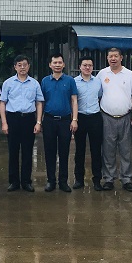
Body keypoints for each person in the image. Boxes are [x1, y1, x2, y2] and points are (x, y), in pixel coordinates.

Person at [0, 54, 44, 192]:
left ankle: (26, 181)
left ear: (29, 66)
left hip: (29, 119)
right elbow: (2, 103)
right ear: (15, 67)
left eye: (25, 65)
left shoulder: (34, 83)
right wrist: (4, 122)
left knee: (27, 151)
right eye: (19, 65)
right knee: (13, 151)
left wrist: (38, 122)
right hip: (13, 118)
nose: (22, 67)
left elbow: (39, 103)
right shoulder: (8, 83)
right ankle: (14, 181)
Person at [97, 47, 132, 192]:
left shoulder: (129, 74)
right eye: (110, 56)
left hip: (126, 117)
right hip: (106, 117)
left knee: (126, 150)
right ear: (107, 58)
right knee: (108, 150)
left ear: (121, 57)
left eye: (116, 56)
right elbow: (97, 95)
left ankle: (126, 179)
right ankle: (109, 179)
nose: (113, 59)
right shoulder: (102, 74)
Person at [40, 52, 78, 193]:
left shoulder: (70, 80)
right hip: (49, 120)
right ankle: (51, 181)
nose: (57, 65)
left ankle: (63, 181)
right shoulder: (45, 81)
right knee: (49, 152)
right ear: (50, 65)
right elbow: (41, 102)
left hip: (65, 120)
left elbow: (74, 100)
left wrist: (74, 119)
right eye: (54, 62)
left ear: (64, 64)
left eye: (60, 62)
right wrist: (39, 121)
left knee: (64, 151)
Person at [74, 56, 104, 191]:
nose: (87, 67)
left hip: (95, 118)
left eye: (90, 65)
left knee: (96, 150)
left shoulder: (98, 82)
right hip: (80, 117)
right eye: (85, 65)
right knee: (79, 150)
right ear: (80, 67)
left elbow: (100, 96)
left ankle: (97, 180)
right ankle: (79, 179)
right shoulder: (74, 82)